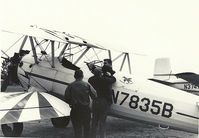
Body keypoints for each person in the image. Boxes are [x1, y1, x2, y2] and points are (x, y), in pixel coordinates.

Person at [65, 69, 97, 138]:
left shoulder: (70, 85)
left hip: (75, 110)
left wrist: (71, 103)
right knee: (86, 130)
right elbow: (94, 95)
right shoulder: (87, 84)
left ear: (74, 76)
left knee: (77, 130)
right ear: (82, 76)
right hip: (85, 110)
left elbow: (66, 97)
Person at [89, 64, 116, 138]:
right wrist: (109, 75)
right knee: (102, 122)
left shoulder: (91, 80)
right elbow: (113, 79)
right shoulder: (105, 80)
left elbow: (92, 78)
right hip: (103, 102)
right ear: (100, 73)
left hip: (95, 101)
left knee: (94, 121)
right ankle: (102, 136)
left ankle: (92, 136)